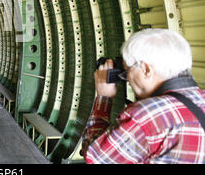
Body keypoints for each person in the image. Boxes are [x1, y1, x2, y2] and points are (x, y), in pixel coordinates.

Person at [81, 28, 205, 164]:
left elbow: (95, 158)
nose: (127, 79)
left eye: (127, 71)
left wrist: (103, 98)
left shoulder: (145, 116)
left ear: (146, 70)